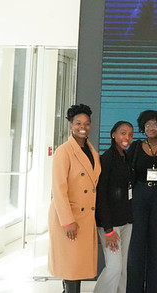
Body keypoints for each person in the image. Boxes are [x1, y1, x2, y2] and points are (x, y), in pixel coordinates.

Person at [47, 104, 102, 293]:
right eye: (78, 123)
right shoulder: (64, 151)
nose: (83, 127)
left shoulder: (91, 150)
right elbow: (58, 189)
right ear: (71, 126)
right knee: (71, 268)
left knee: (76, 268)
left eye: (87, 123)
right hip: (69, 217)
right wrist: (67, 221)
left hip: (85, 218)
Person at [127, 110, 157, 293]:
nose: (150, 128)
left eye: (155, 125)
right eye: (147, 125)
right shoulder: (136, 146)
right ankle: (134, 288)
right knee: (137, 243)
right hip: (139, 195)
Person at [95, 121, 135, 293]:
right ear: (113, 135)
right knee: (114, 267)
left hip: (126, 221)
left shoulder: (125, 157)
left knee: (123, 269)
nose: (127, 138)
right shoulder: (106, 159)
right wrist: (109, 229)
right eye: (123, 133)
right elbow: (101, 196)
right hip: (110, 225)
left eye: (130, 135)